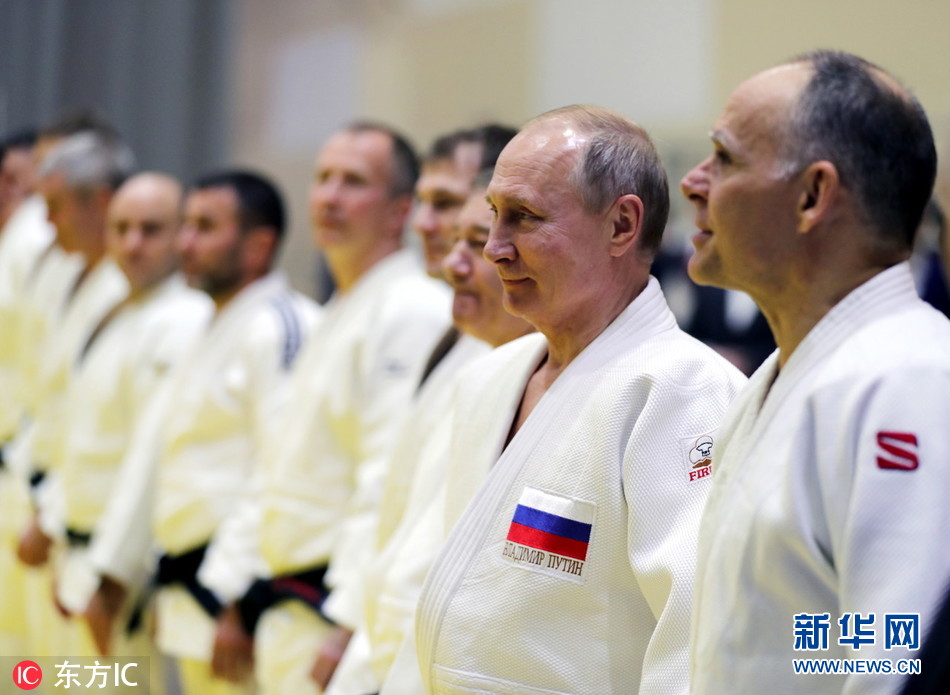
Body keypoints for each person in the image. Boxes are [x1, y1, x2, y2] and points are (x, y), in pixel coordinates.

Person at [415, 105, 746, 695]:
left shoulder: (680, 391)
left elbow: (693, 633)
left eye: (524, 217)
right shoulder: (488, 379)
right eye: (494, 214)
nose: (494, 248)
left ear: (621, 225)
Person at [680, 50, 950, 695]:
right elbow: (796, 633)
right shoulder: (786, 375)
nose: (693, 182)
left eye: (724, 157)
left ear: (811, 196)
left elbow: (891, 657)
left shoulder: (907, 380)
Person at [195, 123, 449, 695]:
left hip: (332, 619)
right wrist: (236, 589)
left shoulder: (411, 309)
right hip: (282, 604)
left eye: (353, 181)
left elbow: (389, 482)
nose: (330, 197)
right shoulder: (336, 310)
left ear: (399, 210)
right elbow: (278, 468)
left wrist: (349, 626)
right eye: (323, 178)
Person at [88, 169, 320, 695]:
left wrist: (239, 599)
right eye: (186, 225)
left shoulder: (281, 328)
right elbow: (173, 463)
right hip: (188, 588)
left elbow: (281, 469)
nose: (185, 243)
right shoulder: (207, 323)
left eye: (205, 227)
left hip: (235, 600)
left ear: (259, 245)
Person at [48, 173, 211, 665]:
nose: (132, 244)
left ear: (182, 234)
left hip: (121, 571)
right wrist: (56, 527)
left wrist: (111, 573)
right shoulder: (118, 309)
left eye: (150, 229)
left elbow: (149, 456)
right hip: (80, 550)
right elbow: (77, 436)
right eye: (120, 229)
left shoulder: (182, 319)